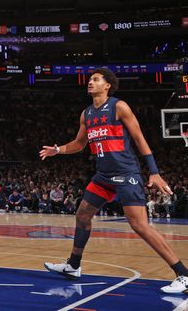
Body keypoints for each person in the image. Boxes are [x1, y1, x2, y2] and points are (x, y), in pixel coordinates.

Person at [40, 68, 188, 294]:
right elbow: (79, 144)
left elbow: (139, 138)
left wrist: (154, 172)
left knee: (139, 225)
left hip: (126, 173)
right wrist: (58, 150)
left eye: (96, 79)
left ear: (107, 85)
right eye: (90, 79)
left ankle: (183, 274)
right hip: (103, 176)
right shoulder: (86, 114)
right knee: (82, 215)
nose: (90, 82)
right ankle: (73, 265)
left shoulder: (119, 107)